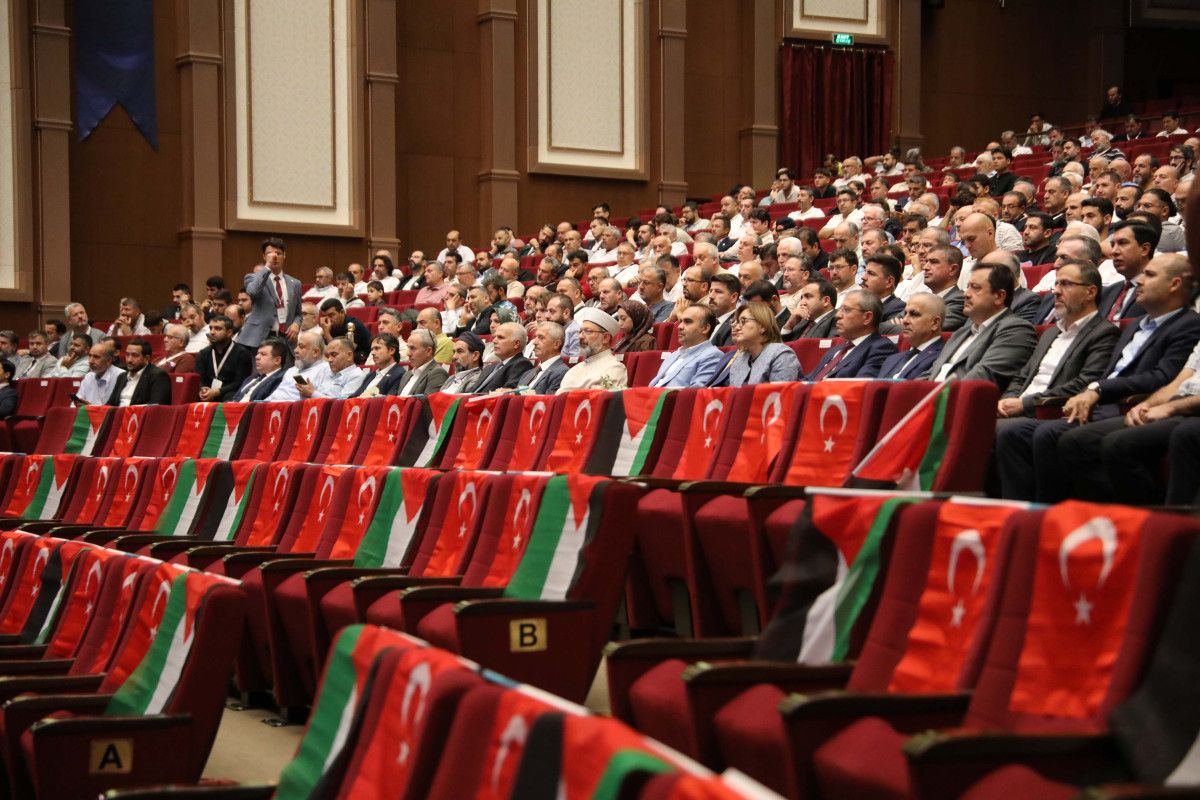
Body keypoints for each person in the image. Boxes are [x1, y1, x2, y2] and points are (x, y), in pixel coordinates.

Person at [996, 254, 1200, 502]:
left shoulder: (1188, 325)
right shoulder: (1136, 324)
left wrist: (1098, 390)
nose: (1140, 282)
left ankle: (1069, 512)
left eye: (1150, 275)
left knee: (1053, 435)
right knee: (1018, 432)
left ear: (1175, 284)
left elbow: (1162, 377)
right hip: (1101, 404)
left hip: (1125, 405)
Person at [995, 259, 1118, 423]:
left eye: (1066, 284)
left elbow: (1083, 383)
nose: (1056, 291)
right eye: (1056, 284)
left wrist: (1025, 403)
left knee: (1001, 429)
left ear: (1091, 292)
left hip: (1050, 413)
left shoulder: (1104, 333)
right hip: (1019, 410)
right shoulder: (1051, 332)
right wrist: (1006, 401)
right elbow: (1022, 376)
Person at [923, 262, 1037, 391]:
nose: (966, 294)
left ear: (999, 296)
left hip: (961, 404)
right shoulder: (960, 333)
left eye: (975, 287)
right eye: (967, 287)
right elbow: (932, 373)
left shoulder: (1016, 331)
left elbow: (981, 377)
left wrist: (929, 397)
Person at [804, 290, 897, 380]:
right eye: (840, 309)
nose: (837, 315)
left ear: (867, 317)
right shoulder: (836, 350)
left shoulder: (881, 348)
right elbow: (808, 380)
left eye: (846, 310)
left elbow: (859, 387)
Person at [713, 302, 800, 386]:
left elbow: (780, 397)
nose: (736, 326)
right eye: (736, 322)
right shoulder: (740, 358)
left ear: (763, 326)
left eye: (743, 321)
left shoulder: (781, 354)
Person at [243, 237, 303, 349]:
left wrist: (296, 324)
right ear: (264, 256)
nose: (274, 256)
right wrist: (267, 267)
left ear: (284, 255)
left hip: (286, 339)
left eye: (278, 253)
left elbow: (298, 314)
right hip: (261, 338)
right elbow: (253, 291)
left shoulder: (295, 283)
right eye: (269, 253)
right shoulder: (253, 278)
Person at [649, 305, 725, 388]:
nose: (679, 326)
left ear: (705, 328)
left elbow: (696, 392)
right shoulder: (673, 355)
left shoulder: (713, 355)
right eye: (681, 321)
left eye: (687, 322)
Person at [557, 308, 628, 393]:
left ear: (605, 338)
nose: (580, 337)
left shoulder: (615, 368)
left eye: (588, 331)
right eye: (580, 331)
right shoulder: (574, 369)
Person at [878, 294, 948, 379]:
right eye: (905, 314)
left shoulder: (944, 357)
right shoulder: (891, 360)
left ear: (935, 323)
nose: (904, 321)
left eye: (914, 314)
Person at [196, 315, 253, 402]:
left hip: (230, 394)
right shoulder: (203, 353)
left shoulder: (242, 353)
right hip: (208, 393)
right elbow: (200, 378)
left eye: (217, 329)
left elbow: (240, 382)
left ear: (229, 333)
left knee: (231, 397)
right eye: (211, 328)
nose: (212, 332)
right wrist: (203, 389)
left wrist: (218, 392)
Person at [103, 338, 171, 406]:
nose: (129, 360)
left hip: (138, 415)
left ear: (146, 358)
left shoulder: (158, 376)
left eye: (134, 355)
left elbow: (156, 406)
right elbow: (110, 404)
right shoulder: (122, 376)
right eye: (127, 354)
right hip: (119, 415)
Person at [270, 330, 332, 401]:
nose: (295, 350)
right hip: (270, 407)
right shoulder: (291, 370)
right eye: (297, 346)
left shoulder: (326, 369)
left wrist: (312, 393)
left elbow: (330, 402)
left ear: (315, 352)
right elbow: (275, 395)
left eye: (301, 347)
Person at [473, 323, 533, 393]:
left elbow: (506, 394)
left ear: (516, 344)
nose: (494, 341)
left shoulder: (521, 364)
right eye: (495, 337)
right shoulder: (489, 367)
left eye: (500, 337)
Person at [519, 322, 570, 395]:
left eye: (541, 338)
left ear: (556, 344)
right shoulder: (527, 374)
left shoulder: (562, 372)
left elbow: (548, 403)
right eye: (535, 337)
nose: (535, 342)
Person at [393, 329, 448, 396]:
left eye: (413, 348)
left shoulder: (437, 373)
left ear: (428, 351)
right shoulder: (406, 375)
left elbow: (429, 404)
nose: (408, 353)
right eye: (408, 348)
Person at [318, 298, 370, 363]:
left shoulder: (353, 326)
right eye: (325, 316)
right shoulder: (329, 326)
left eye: (331, 315)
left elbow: (341, 352)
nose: (328, 319)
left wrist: (327, 333)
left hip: (361, 358)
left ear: (342, 312)